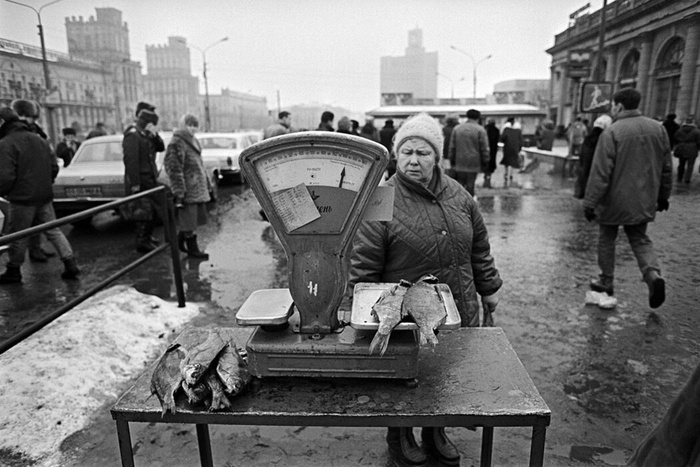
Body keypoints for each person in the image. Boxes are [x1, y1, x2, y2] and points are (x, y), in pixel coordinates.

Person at [349, 113, 502, 467]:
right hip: (405, 316)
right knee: (406, 376)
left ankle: (437, 430)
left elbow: (479, 248)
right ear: (396, 155)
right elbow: (364, 263)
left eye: (423, 153)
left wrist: (489, 287)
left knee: (446, 373)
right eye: (406, 152)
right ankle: (399, 435)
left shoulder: (460, 195)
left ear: (438, 157)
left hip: (458, 305)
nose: (414, 160)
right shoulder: (381, 198)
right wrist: (352, 308)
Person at [583, 88, 672, 309]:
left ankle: (606, 280)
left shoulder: (612, 132)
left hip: (614, 200)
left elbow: (601, 172)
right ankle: (652, 274)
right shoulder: (658, 129)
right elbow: (666, 168)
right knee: (640, 238)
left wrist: (590, 202)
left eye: (614, 105)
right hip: (644, 198)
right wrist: (663, 196)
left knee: (607, 238)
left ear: (619, 106)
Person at [0, 106, 80, 284]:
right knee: (54, 231)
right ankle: (70, 264)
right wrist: (45, 184)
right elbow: (54, 166)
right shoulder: (39, 139)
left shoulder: (6, 144)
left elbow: (5, 176)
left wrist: (4, 191)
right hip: (43, 195)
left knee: (18, 234)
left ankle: (14, 269)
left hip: (21, 198)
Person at [11, 99, 55, 262]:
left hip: (29, 184)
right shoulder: (30, 131)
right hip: (32, 184)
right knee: (29, 226)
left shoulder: (34, 131)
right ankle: (27, 255)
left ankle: (31, 252)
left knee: (30, 225)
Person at [165, 114, 210, 259]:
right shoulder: (177, 141)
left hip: (196, 186)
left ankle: (180, 240)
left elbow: (199, 164)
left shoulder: (193, 140)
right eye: (189, 125)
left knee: (193, 220)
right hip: (187, 187)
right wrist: (179, 191)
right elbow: (174, 168)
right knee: (189, 221)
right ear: (183, 125)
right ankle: (192, 249)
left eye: (195, 125)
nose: (192, 128)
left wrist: (206, 181)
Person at [122, 102, 165, 253]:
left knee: (152, 209)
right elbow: (131, 161)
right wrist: (135, 184)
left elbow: (161, 147)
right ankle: (142, 240)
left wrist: (155, 135)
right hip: (140, 179)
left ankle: (147, 237)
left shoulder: (145, 133)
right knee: (143, 210)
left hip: (150, 176)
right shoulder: (133, 134)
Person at [448, 108, 489, 196]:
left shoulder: (457, 128)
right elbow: (484, 148)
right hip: (474, 161)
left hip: (459, 160)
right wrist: (486, 160)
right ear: (478, 118)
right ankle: (469, 202)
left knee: (460, 183)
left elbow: (452, 146)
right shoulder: (480, 130)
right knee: (471, 184)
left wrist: (452, 159)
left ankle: (459, 201)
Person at [574, 114, 612, 199]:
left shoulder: (588, 139)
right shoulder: (604, 140)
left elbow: (582, 160)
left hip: (585, 178)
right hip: (597, 181)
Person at [672, 116, 700, 184]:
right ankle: (687, 178)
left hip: (682, 148)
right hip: (692, 149)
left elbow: (675, 137)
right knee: (690, 165)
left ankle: (679, 177)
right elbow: (699, 141)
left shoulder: (680, 130)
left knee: (681, 164)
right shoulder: (697, 131)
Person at [499, 117, 523, 184]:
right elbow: (521, 140)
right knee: (513, 160)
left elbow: (502, 138)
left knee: (506, 160)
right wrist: (519, 148)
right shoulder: (518, 130)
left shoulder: (506, 129)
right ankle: (511, 174)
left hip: (507, 146)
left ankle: (506, 173)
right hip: (515, 147)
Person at [484, 118, 500, 188]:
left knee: (485, 164)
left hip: (484, 149)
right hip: (493, 150)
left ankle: (486, 178)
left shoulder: (485, 129)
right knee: (490, 165)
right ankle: (488, 179)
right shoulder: (496, 130)